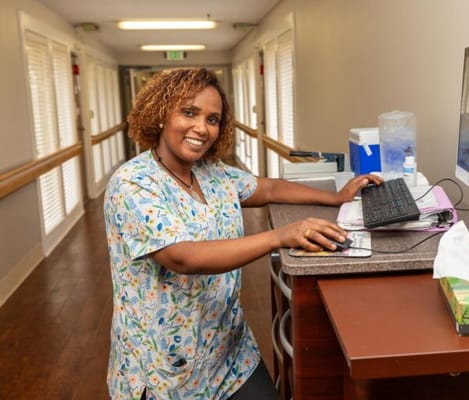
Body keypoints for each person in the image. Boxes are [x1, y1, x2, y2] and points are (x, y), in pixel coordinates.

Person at [103, 67, 382, 400]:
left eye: (212, 119)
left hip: (228, 352)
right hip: (165, 371)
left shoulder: (213, 173)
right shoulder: (133, 183)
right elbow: (183, 256)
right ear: (161, 114)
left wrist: (335, 197)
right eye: (189, 113)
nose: (201, 128)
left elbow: (268, 188)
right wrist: (281, 236)